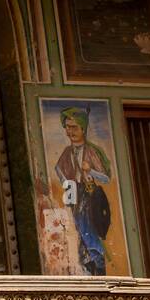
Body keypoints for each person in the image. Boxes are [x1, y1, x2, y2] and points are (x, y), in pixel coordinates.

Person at [53, 106, 113, 276]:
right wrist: (69, 193)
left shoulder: (91, 151)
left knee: (90, 233)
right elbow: (60, 171)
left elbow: (106, 178)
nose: (69, 131)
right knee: (77, 234)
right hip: (75, 197)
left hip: (90, 198)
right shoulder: (67, 152)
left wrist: (90, 171)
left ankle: (98, 266)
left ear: (83, 129)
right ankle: (87, 269)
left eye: (74, 127)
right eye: (67, 127)